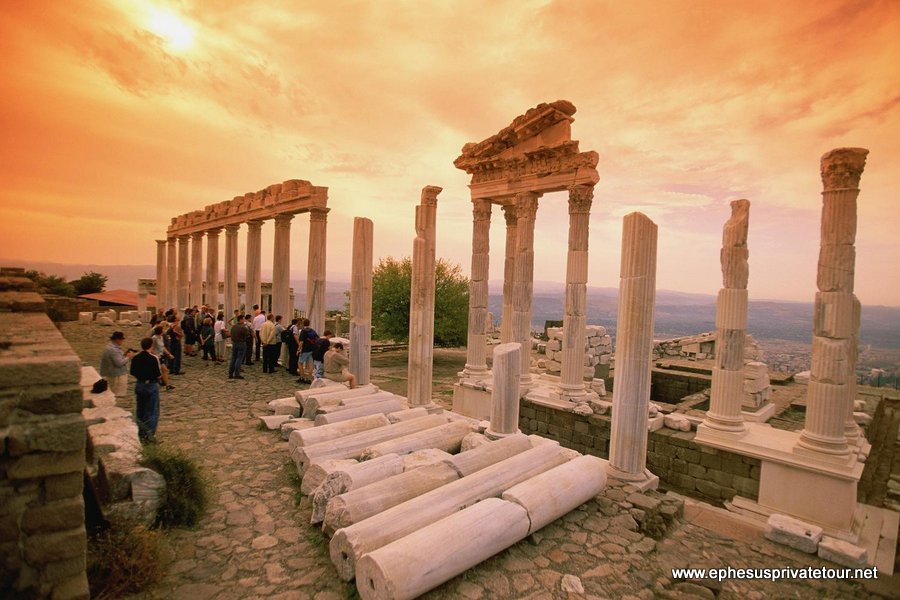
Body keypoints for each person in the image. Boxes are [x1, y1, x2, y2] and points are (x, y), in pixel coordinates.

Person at [130, 337, 162, 443]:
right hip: (151, 385)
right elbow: (158, 374)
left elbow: (132, 371)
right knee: (152, 411)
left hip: (139, 384)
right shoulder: (153, 358)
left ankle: (141, 433)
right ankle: (150, 435)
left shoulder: (136, 358)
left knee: (140, 410)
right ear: (151, 346)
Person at [99, 331, 134, 397]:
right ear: (117, 339)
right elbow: (119, 363)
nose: (122, 341)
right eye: (121, 340)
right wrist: (128, 357)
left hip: (114, 374)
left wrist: (124, 355)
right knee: (116, 395)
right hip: (116, 376)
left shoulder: (111, 348)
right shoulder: (113, 350)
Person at [151, 326, 175, 390]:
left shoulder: (161, 337)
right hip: (156, 357)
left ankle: (167, 384)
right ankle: (163, 383)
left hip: (161, 356)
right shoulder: (154, 338)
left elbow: (163, 347)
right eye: (163, 329)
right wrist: (155, 355)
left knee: (164, 370)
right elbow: (151, 348)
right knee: (162, 370)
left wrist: (169, 354)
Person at [228, 314, 249, 379]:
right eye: (243, 319)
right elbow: (248, 335)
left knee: (233, 358)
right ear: (240, 319)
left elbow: (231, 334)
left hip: (234, 343)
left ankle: (230, 373)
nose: (244, 320)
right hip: (241, 343)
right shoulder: (243, 327)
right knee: (239, 358)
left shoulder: (233, 327)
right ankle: (237, 374)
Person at [297, 318, 317, 384]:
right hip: (312, 349)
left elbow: (301, 342)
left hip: (305, 350)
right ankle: (309, 378)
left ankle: (302, 377)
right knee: (310, 364)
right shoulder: (312, 330)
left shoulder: (303, 331)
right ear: (309, 323)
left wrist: (298, 349)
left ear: (303, 324)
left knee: (300, 363)